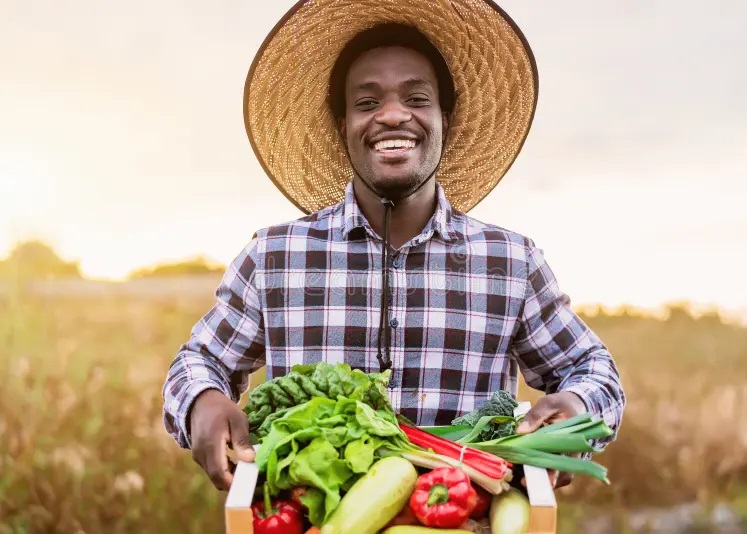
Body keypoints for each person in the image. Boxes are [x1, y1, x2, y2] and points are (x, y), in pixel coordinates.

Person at [162, 0, 625, 493]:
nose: (392, 115)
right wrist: (203, 401)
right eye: (366, 103)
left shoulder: (510, 262)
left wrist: (576, 406)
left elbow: (593, 369)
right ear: (342, 126)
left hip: (462, 519)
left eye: (417, 99)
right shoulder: (275, 257)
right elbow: (199, 361)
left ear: (445, 119)